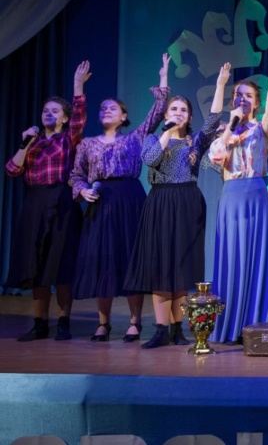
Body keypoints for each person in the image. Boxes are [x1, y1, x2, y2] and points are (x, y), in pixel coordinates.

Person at [123, 63, 231, 349]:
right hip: (160, 201)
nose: (178, 113)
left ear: (190, 116)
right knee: (161, 265)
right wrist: (167, 133)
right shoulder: (152, 138)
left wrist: (220, 84)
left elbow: (214, 119)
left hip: (187, 202)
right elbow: (150, 159)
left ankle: (177, 328)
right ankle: (160, 329)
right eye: (173, 110)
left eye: (183, 110)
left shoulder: (196, 141)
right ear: (165, 115)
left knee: (181, 264)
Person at [70, 55, 171, 342]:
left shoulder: (134, 138)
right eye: (102, 108)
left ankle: (135, 320)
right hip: (100, 200)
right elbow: (76, 175)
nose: (106, 111)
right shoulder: (87, 144)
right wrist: (82, 190)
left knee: (130, 258)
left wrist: (163, 76)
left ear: (123, 116)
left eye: (112, 108)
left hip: (129, 199)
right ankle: (103, 323)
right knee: (102, 259)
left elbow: (158, 112)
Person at [5, 61, 91, 341]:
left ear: (64, 118)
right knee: (36, 264)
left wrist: (77, 85)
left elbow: (79, 118)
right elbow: (12, 170)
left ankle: (64, 321)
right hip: (35, 204)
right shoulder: (33, 143)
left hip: (63, 201)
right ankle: (39, 323)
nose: (48, 114)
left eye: (55, 111)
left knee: (62, 263)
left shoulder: (69, 139)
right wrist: (24, 144)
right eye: (45, 110)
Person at [208, 38, 268, 345]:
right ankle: (228, 323)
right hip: (231, 197)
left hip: (255, 194)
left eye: (248, 96)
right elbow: (216, 155)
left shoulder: (262, 129)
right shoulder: (225, 130)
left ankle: (255, 324)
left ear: (256, 102)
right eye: (238, 95)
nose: (242, 99)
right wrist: (231, 125)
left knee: (255, 259)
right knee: (231, 258)